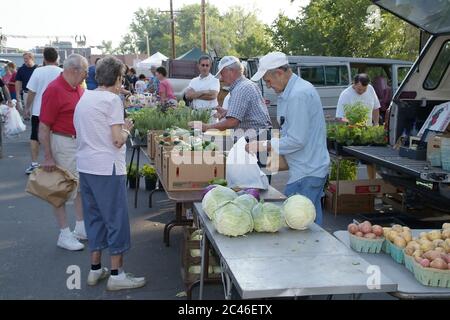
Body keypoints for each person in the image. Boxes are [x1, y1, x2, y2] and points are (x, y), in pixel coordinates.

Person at [74, 56, 146, 291]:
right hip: (108, 168)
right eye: (121, 77)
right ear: (117, 77)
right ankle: (117, 274)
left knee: (94, 218)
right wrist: (127, 129)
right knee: (116, 219)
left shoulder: (85, 97)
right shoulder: (112, 100)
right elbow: (117, 140)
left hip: (86, 166)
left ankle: (95, 269)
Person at [246, 52, 330, 226]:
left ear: (279, 73)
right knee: (310, 224)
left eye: (268, 81)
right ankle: (314, 252)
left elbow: (297, 140)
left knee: (298, 223)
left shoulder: (298, 95)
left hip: (307, 172)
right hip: (307, 169)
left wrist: (263, 145)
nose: (268, 86)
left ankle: (309, 253)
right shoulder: (292, 91)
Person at [39, 53, 88, 251]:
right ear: (75, 70)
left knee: (80, 186)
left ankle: (81, 227)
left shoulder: (77, 87)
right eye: (85, 71)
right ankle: (64, 233)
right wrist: (48, 156)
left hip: (76, 142)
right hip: (63, 141)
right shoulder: (54, 89)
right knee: (61, 188)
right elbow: (44, 127)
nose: (86, 75)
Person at [190, 56, 272, 133]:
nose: (221, 78)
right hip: (260, 135)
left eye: (222, 73)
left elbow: (231, 122)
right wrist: (228, 112)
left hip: (257, 138)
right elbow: (248, 114)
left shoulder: (240, 89)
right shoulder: (247, 84)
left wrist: (206, 127)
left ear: (231, 71)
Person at [24, 47, 62, 175]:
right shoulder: (62, 72)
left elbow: (31, 92)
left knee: (35, 137)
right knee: (55, 136)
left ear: (44, 58)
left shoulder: (38, 71)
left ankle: (34, 163)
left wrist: (27, 108)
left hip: (38, 110)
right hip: (58, 111)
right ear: (57, 58)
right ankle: (56, 163)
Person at [335, 73, 381, 179]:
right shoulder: (345, 94)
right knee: (351, 161)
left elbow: (376, 108)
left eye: (364, 90)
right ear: (354, 84)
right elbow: (339, 117)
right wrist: (353, 124)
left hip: (367, 132)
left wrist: (376, 124)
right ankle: (350, 187)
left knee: (371, 160)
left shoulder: (370, 89)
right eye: (359, 89)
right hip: (351, 134)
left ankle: (372, 185)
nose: (361, 92)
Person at [15, 52, 38, 117]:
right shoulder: (21, 69)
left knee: (37, 114)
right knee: (29, 113)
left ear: (32, 58)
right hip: (26, 94)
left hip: (37, 94)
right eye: (24, 58)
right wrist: (17, 95)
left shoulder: (38, 69)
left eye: (26, 58)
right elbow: (18, 82)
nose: (25, 60)